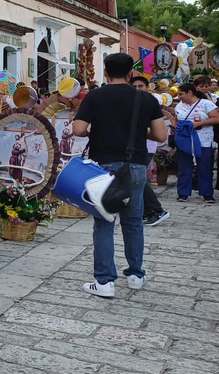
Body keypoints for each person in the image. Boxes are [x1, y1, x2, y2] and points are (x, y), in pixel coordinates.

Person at [73, 53, 166, 298]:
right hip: (134, 165)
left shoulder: (94, 96)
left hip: (103, 167)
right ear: (130, 74)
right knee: (134, 221)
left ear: (105, 72)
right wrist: (136, 131)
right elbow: (160, 135)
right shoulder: (145, 98)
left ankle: (104, 281)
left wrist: (98, 128)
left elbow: (78, 129)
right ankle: (135, 275)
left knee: (104, 222)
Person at [130, 76, 170, 226]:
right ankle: (148, 211)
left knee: (139, 180)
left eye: (140, 86)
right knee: (137, 179)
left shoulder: (151, 102)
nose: (137, 89)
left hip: (147, 145)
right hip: (134, 146)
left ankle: (155, 210)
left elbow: (159, 130)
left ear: (147, 87)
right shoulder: (130, 101)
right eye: (134, 86)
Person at [174, 83, 219, 203]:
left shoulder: (206, 104)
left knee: (204, 167)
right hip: (185, 140)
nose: (179, 97)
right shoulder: (179, 106)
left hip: (203, 140)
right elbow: (177, 120)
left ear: (189, 92)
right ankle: (183, 193)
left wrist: (198, 124)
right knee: (184, 167)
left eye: (181, 94)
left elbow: (216, 118)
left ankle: (207, 193)